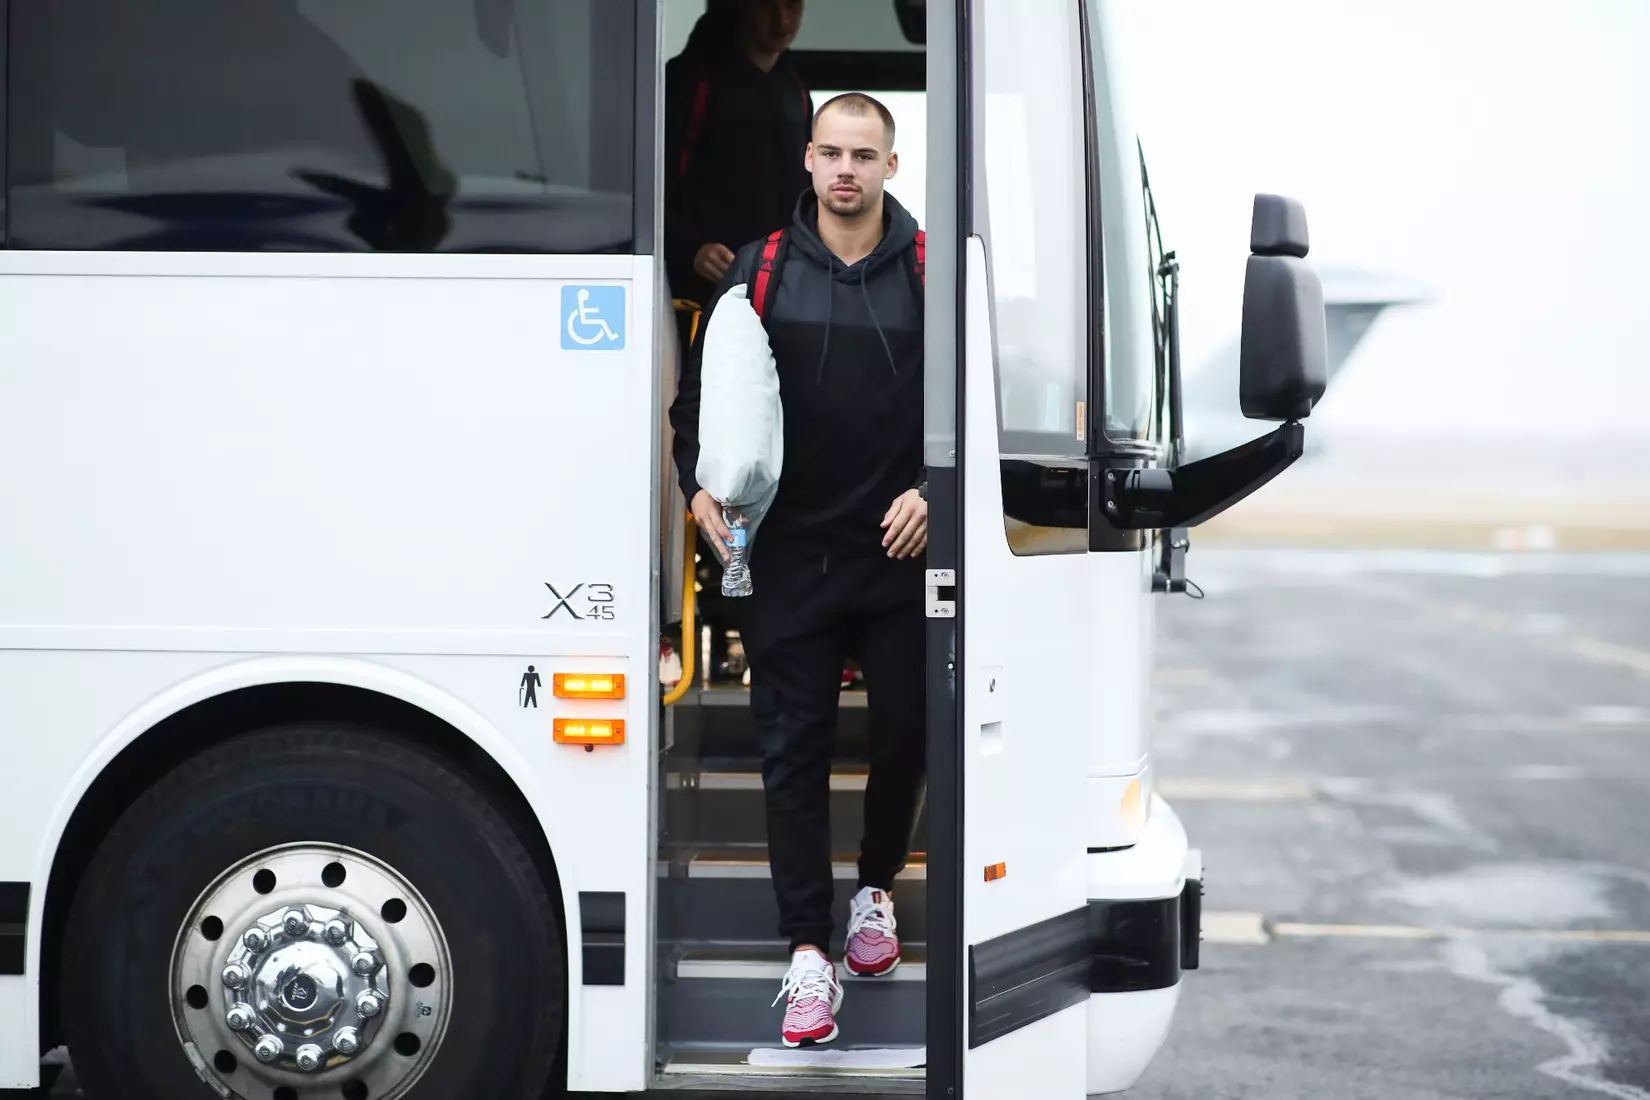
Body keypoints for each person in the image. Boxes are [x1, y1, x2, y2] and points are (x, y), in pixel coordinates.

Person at [668, 92, 927, 1048]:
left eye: (866, 154)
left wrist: (933, 494)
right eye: (832, 153)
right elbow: (697, 404)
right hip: (788, 560)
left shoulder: (933, 274)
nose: (847, 169)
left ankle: (873, 895)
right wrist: (701, 493)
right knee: (794, 757)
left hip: (898, 556)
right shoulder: (759, 271)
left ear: (891, 167)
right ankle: (807, 955)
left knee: (906, 734)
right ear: (809, 162)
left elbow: (972, 411)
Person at [662, 0, 812, 684]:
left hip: (776, 294)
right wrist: (691, 251)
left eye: (796, 2)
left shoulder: (796, 89)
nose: (784, 16)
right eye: (771, 1)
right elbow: (657, 181)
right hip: (704, 300)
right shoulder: (692, 80)